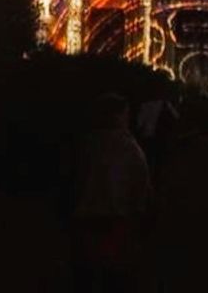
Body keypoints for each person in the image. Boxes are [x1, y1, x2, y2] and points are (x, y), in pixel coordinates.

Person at [72, 93, 153, 292]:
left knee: (89, 268)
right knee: (114, 269)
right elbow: (140, 182)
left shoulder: (86, 144)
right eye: (125, 115)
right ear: (119, 116)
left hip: (87, 214)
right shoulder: (128, 147)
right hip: (117, 215)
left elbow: (73, 177)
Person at [135, 72, 179, 188]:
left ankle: (148, 184)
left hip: (148, 137)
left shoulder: (145, 105)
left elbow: (140, 123)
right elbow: (175, 118)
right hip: (161, 138)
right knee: (159, 163)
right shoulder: (165, 105)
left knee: (148, 162)